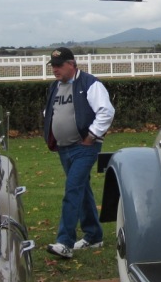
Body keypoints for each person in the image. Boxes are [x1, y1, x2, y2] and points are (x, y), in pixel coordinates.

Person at [43, 46, 115, 259]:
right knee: (81, 190)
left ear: (72, 64)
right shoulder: (55, 87)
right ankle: (93, 235)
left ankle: (64, 242)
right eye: (53, 66)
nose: (55, 69)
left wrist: (91, 135)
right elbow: (50, 111)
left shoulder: (90, 84)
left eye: (59, 65)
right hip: (64, 148)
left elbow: (106, 111)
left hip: (84, 148)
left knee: (73, 189)